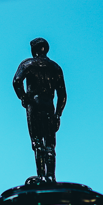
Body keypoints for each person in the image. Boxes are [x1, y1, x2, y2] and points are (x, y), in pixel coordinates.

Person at [13, 38, 66, 183]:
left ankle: (42, 175)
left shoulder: (28, 64)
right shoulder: (55, 67)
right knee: (50, 143)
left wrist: (23, 97)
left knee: (37, 142)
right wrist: (58, 114)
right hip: (49, 104)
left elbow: (17, 81)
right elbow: (62, 95)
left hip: (34, 104)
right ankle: (51, 176)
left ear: (34, 50)